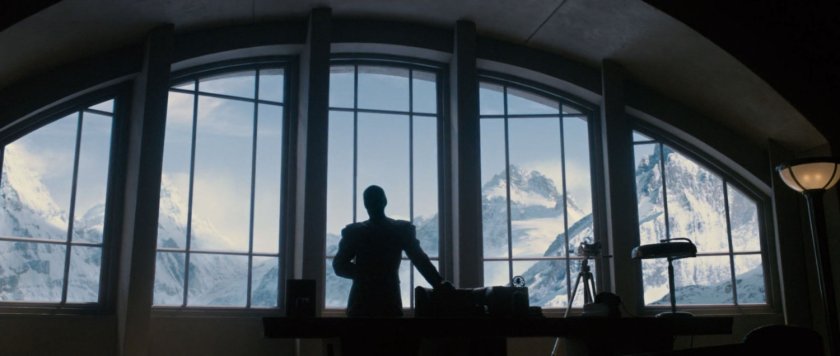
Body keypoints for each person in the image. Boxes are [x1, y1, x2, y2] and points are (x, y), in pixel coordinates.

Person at [333, 185, 453, 317]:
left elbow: (339, 265)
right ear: (385, 201)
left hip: (361, 300)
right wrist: (439, 284)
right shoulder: (400, 230)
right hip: (389, 297)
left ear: (365, 204)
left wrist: (366, 274)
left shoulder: (355, 232)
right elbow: (420, 260)